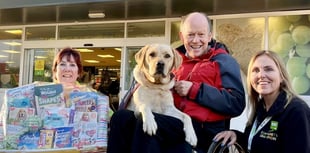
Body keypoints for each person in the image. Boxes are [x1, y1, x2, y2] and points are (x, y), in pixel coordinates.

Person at [107, 12, 245, 153]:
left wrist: (195, 90)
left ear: (209, 36)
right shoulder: (173, 59)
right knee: (121, 117)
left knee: (149, 123)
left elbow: (236, 102)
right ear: (181, 37)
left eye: (201, 35)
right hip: (169, 120)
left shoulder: (223, 61)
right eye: (190, 35)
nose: (196, 40)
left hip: (200, 131)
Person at [213, 50, 310, 153]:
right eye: (255, 70)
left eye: (268, 69)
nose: (261, 75)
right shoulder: (261, 107)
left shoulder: (297, 111)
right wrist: (235, 135)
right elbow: (257, 143)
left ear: (281, 77)